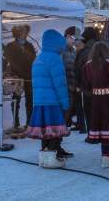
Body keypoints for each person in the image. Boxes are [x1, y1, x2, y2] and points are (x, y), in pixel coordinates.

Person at [27, 29, 72, 168]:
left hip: (40, 102)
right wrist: (65, 103)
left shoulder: (38, 58)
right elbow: (60, 84)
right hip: (52, 101)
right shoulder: (54, 59)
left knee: (45, 130)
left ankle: (44, 157)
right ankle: (53, 157)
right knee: (54, 130)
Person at [3, 24, 36, 129]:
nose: (25, 35)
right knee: (16, 100)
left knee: (30, 100)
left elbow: (33, 59)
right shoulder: (10, 46)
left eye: (26, 33)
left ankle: (29, 123)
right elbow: (6, 60)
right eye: (22, 33)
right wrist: (6, 73)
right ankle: (15, 122)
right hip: (16, 77)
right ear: (17, 34)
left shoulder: (29, 45)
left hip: (28, 76)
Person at [75, 27, 100, 138]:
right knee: (101, 110)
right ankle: (102, 133)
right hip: (103, 87)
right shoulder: (103, 48)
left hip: (88, 87)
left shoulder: (84, 52)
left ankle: (93, 135)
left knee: (89, 110)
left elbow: (78, 69)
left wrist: (78, 84)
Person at [62, 26, 80, 129]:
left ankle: (65, 124)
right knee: (65, 110)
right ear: (68, 36)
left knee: (69, 110)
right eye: (75, 38)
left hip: (72, 87)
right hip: (65, 87)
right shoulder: (62, 50)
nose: (76, 41)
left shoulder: (72, 50)